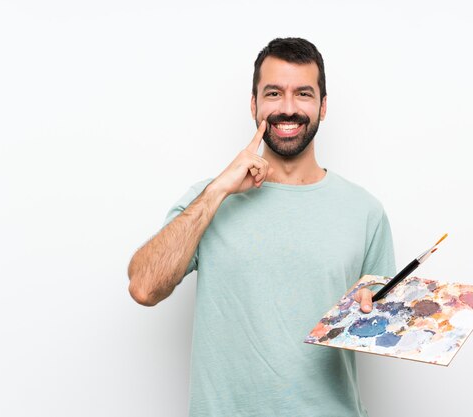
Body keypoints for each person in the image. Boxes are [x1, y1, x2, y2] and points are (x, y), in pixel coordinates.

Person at [127, 37, 396, 417]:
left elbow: (387, 332)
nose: (288, 108)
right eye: (273, 93)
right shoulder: (209, 199)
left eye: (303, 93)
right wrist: (218, 189)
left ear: (323, 106)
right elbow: (144, 286)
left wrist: (374, 314)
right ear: (254, 105)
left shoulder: (365, 211)